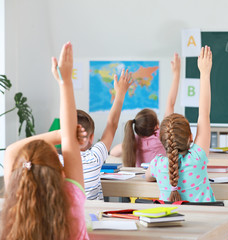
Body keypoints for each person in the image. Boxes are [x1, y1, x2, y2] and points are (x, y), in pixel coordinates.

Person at [1, 42, 89, 239]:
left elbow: (11, 152)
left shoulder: (12, 210)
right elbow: (68, 139)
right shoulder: (72, 199)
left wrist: (60, 135)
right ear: (60, 170)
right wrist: (65, 82)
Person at [145, 46, 215, 202]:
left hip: (171, 225)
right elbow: (204, 113)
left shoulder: (158, 165)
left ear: (163, 139)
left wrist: (176, 75)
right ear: (191, 136)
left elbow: (147, 176)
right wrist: (204, 73)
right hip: (205, 225)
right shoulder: (197, 158)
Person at [71, 68, 133, 200]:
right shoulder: (94, 157)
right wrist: (120, 93)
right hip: (93, 219)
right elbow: (112, 124)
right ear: (91, 138)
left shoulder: (56, 161)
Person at [110, 53, 181, 167]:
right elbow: (170, 103)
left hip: (139, 183)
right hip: (159, 182)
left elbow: (113, 152)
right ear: (156, 126)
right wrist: (176, 74)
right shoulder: (161, 137)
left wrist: (127, 144)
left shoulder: (133, 141)